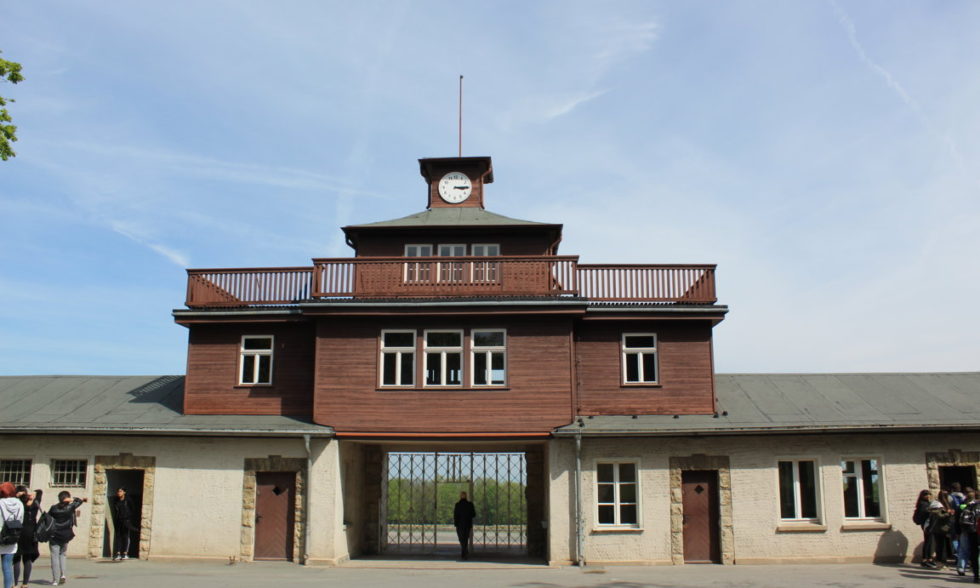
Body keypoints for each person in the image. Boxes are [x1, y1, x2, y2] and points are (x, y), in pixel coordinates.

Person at [47, 491, 86, 586]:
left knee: (54, 556)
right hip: (66, 534)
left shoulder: (53, 508)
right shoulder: (70, 507)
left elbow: (48, 518)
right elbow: (79, 501)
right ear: (67, 499)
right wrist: (72, 499)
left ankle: (55, 580)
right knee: (63, 554)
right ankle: (63, 575)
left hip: (54, 534)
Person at [12, 487, 41, 588]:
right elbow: (39, 495)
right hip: (31, 534)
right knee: (27, 559)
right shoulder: (34, 505)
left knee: (16, 559)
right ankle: (25, 584)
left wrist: (17, 495)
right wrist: (35, 494)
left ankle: (15, 583)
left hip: (18, 533)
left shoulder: (17, 504)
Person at [1, 482, 25, 588]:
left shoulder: (1, 502)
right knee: (7, 566)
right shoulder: (19, 503)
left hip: (1, 534)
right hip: (12, 536)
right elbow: (21, 520)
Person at [109, 487, 136, 561]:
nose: (118, 493)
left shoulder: (128, 500)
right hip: (118, 521)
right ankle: (118, 553)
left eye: (120, 491)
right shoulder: (116, 501)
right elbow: (116, 511)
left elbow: (132, 509)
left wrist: (128, 517)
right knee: (118, 536)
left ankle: (125, 553)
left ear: (124, 492)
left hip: (126, 520)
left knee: (125, 536)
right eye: (118, 491)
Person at [957, 488, 978, 577]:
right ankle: (976, 569)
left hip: (965, 529)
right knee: (976, 550)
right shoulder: (976, 505)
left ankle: (961, 567)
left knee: (963, 549)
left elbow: (957, 518)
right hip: (975, 530)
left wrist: (958, 531)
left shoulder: (962, 504)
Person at [453, 491, 476, 560]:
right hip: (467, 524)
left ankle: (464, 551)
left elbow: (455, 515)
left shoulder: (457, 505)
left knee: (461, 538)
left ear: (460, 496)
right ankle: (464, 551)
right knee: (465, 538)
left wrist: (456, 523)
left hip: (460, 524)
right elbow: (473, 514)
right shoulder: (470, 504)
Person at [915, 489, 934, 566]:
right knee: (928, 541)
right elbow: (924, 514)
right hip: (926, 524)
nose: (928, 496)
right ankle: (925, 559)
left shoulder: (924, 503)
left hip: (927, 524)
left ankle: (928, 558)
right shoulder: (923, 504)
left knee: (929, 540)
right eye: (926, 494)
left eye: (929, 494)